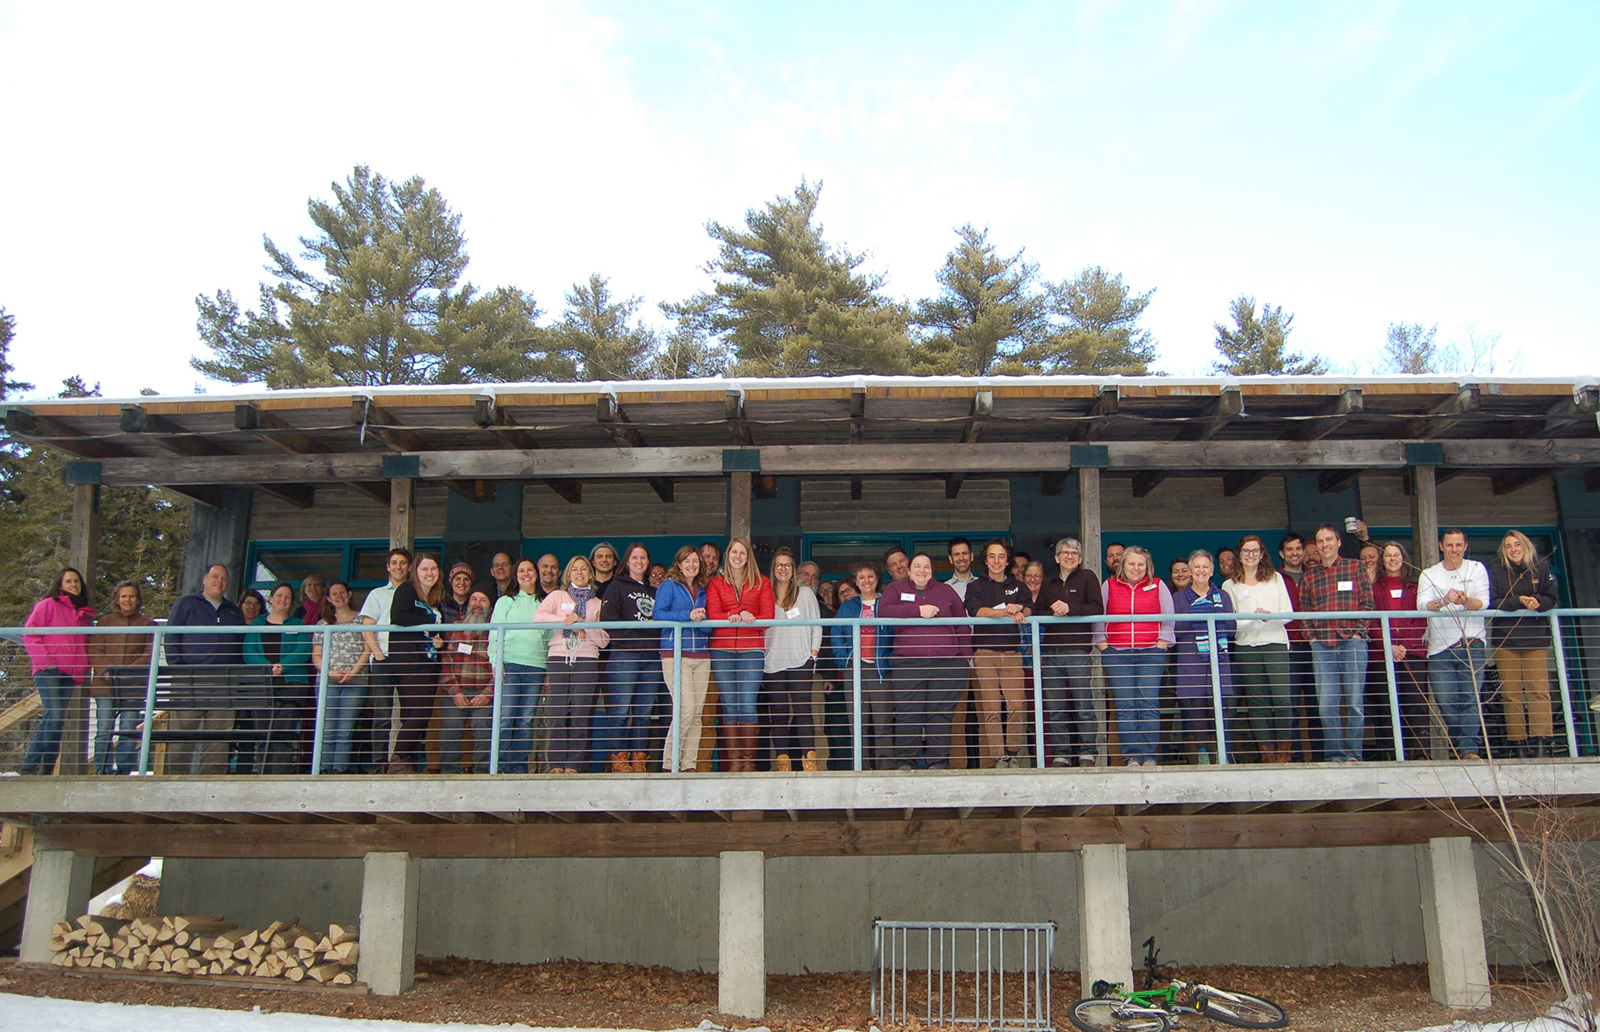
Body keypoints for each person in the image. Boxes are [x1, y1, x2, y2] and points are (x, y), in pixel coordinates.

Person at [878, 553, 971, 769]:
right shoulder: (895, 589)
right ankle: (906, 762)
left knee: (940, 716)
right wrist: (918, 611)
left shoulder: (945, 590)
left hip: (947, 664)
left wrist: (965, 658)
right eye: (917, 566)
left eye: (927, 566)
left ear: (932, 570)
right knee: (908, 714)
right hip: (908, 663)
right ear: (909, 570)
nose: (922, 570)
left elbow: (962, 624)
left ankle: (938, 763)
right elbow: (884, 611)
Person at [1298, 524, 1376, 762]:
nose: (1325, 545)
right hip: (1323, 646)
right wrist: (1312, 639)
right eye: (1320, 541)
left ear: (1338, 542)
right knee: (1326, 705)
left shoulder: (1355, 567)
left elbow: (1368, 603)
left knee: (1354, 702)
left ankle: (1353, 754)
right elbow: (1305, 612)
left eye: (1329, 540)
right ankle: (1335, 755)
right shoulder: (1309, 577)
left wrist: (1358, 633)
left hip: (1351, 642)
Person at [1095, 546, 1174, 767]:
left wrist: (1161, 644)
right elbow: (1099, 616)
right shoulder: (1109, 585)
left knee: (1148, 703)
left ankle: (1148, 756)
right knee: (1125, 705)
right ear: (1123, 565)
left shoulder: (1158, 585)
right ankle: (1131, 756)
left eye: (1141, 564)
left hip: (1151, 653)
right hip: (1117, 654)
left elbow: (1169, 616)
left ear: (1147, 567)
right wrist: (1103, 644)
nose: (1136, 568)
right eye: (1131, 563)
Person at [165, 564, 246, 776]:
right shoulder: (186, 604)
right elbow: (171, 637)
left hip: (224, 683)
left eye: (224, 579)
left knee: (218, 739)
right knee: (182, 736)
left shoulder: (233, 611)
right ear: (204, 579)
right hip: (189, 680)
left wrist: (234, 676)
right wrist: (179, 671)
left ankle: (212, 785)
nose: (219, 581)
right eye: (215, 577)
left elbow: (240, 645)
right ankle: (175, 782)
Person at [1418, 529, 1492, 760]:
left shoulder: (1477, 568)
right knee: (1445, 701)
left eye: (1459, 545)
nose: (1454, 549)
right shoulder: (1429, 574)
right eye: (1450, 545)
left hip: (1471, 643)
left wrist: (1464, 601)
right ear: (1441, 546)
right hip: (1440, 647)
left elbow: (1483, 602)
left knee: (1471, 698)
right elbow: (1421, 605)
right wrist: (1443, 601)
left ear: (1466, 546)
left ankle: (1468, 749)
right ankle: (1462, 744)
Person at [1223, 536, 1296, 764]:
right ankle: (1267, 753)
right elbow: (1231, 622)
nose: (1251, 555)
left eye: (1255, 551)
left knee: (1283, 699)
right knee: (1257, 702)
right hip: (1246, 646)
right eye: (1246, 551)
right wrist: (1252, 619)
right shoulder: (1229, 585)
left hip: (1275, 642)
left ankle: (1284, 750)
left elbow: (1288, 612)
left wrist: (1268, 618)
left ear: (1263, 554)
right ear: (1239, 554)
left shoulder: (1276, 579)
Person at [534, 556, 609, 773]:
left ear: (590, 573)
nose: (579, 572)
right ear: (568, 573)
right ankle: (556, 764)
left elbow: (603, 640)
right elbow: (538, 617)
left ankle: (574, 765)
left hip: (586, 658)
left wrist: (583, 624)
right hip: (559, 656)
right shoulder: (557, 596)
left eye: (584, 569)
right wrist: (566, 619)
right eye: (575, 569)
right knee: (556, 711)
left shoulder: (597, 603)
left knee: (580, 712)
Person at [1489, 530, 1559, 758]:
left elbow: (1552, 596)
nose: (1513, 549)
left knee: (1539, 690)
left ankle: (1541, 743)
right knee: (1511, 694)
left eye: (1517, 544)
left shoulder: (1541, 567)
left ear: (1525, 546)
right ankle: (1517, 744)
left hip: (1536, 638)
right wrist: (1517, 601)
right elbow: (1493, 601)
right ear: (1504, 551)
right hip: (1505, 639)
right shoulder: (1497, 570)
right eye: (1508, 546)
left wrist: (1537, 602)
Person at [707, 537, 774, 773]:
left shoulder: (762, 582)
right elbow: (714, 614)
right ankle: (734, 763)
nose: (737, 556)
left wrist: (746, 616)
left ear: (748, 557)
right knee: (729, 705)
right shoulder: (716, 583)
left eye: (742, 553)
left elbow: (767, 617)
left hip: (752, 649)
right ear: (728, 555)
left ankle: (748, 763)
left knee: (747, 704)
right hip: (721, 648)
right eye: (734, 552)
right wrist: (739, 612)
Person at [964, 539, 1033, 768]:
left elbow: (1030, 607)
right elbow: (976, 611)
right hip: (985, 653)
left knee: (1016, 704)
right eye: (992, 556)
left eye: (1001, 556)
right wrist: (1004, 611)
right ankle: (998, 756)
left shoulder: (1019, 585)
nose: (996, 561)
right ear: (986, 560)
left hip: (1013, 653)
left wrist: (1020, 608)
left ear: (1007, 560)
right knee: (991, 707)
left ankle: (1013, 753)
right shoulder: (975, 586)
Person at [20, 568, 95, 776]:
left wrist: (81, 667)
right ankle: (31, 766)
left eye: (77, 581)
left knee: (56, 719)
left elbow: (82, 644)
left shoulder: (84, 614)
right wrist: (46, 661)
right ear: (60, 585)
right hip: (49, 670)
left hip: (70, 674)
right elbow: (30, 633)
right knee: (54, 715)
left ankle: (45, 768)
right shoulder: (48, 605)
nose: (73, 584)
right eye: (69, 581)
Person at [1036, 537, 1103, 767]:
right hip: (1051, 651)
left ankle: (1087, 752)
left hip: (1077, 649)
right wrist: (1052, 612)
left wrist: (1070, 609)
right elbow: (1039, 611)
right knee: (1055, 708)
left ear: (1081, 558)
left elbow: (1096, 608)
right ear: (1057, 558)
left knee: (1082, 703)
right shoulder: (1048, 582)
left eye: (1075, 553)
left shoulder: (1088, 577)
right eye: (1065, 552)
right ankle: (1062, 753)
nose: (1070, 556)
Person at [598, 542, 658, 773]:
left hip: (651, 657)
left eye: (643, 558)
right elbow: (609, 620)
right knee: (620, 711)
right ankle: (619, 762)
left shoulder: (654, 591)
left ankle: (639, 761)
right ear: (627, 561)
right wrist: (631, 637)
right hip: (624, 654)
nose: (639, 561)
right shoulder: (616, 586)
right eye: (635, 557)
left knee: (643, 714)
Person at [1172, 551, 1235, 765]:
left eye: (1205, 567)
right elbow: (1175, 629)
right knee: (1197, 706)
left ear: (1212, 571)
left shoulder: (1222, 597)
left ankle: (1222, 751)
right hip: (1191, 657)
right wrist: (1197, 613)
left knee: (1220, 704)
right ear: (1190, 571)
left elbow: (1232, 626)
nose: (1201, 571)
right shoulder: (1179, 598)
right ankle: (1202, 753)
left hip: (1219, 657)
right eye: (1196, 567)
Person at [244, 582, 313, 774]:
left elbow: (303, 651)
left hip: (292, 684)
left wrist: (281, 667)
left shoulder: (299, 625)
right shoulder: (257, 623)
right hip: (262, 684)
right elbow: (248, 651)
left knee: (284, 730)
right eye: (279, 596)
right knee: (263, 732)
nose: (283, 600)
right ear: (271, 598)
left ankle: (280, 776)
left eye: (288, 597)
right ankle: (263, 776)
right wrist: (267, 667)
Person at [763, 549, 822, 772]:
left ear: (793, 569)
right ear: (773, 568)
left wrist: (813, 655)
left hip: (801, 660)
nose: (783, 569)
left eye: (788, 565)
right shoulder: (765, 593)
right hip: (773, 662)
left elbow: (816, 624)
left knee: (803, 712)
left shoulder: (805, 593)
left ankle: (809, 762)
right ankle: (783, 763)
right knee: (778, 714)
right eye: (779, 564)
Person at [490, 558, 551, 773]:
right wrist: (495, 663)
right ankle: (501, 767)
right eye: (521, 571)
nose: (526, 574)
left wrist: (548, 669)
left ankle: (519, 768)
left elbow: (550, 637)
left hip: (536, 667)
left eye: (530, 570)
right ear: (516, 576)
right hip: (510, 665)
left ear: (536, 573)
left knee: (525, 721)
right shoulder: (506, 601)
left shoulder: (545, 602)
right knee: (506, 718)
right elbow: (494, 633)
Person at [88, 581, 154, 775]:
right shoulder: (105, 622)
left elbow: (148, 653)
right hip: (105, 685)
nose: (127, 600)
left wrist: (126, 673)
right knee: (104, 730)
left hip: (133, 686)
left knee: (128, 730)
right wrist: (106, 672)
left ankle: (124, 770)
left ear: (138, 600)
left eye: (131, 596)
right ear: (117, 599)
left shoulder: (147, 624)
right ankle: (102, 770)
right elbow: (95, 651)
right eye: (123, 596)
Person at [829, 562, 891, 769]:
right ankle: (861, 767)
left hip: (879, 668)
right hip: (854, 668)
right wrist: (843, 661)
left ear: (877, 579)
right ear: (856, 582)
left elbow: (894, 633)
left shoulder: (886, 604)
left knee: (882, 721)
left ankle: (885, 767)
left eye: (870, 576)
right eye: (862, 578)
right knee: (857, 721)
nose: (866, 581)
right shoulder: (849, 606)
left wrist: (889, 658)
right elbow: (836, 634)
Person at [386, 554, 444, 773]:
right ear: (415, 572)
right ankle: (398, 760)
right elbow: (399, 616)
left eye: (434, 569)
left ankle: (406, 762)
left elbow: (436, 634)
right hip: (410, 662)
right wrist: (429, 622)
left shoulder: (435, 598)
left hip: (428, 663)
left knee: (416, 714)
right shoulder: (407, 590)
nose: (430, 573)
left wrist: (440, 641)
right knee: (418, 713)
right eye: (424, 569)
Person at [1372, 542, 1429, 760]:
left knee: (1415, 703)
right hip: (1382, 655)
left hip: (1412, 653)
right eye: (1388, 555)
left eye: (1397, 555)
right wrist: (1390, 646)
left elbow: (1421, 619)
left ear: (1404, 558)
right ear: (1382, 560)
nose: (1392, 559)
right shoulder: (1374, 588)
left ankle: (1421, 753)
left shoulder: (1415, 588)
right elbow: (1372, 621)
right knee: (1387, 705)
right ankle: (1392, 753)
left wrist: (1403, 645)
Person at [656, 546, 711, 771]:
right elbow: (658, 614)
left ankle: (689, 763)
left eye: (695, 561)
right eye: (686, 561)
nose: (691, 565)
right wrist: (687, 616)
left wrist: (704, 621)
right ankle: (670, 762)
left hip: (702, 654)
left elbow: (708, 627)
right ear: (678, 564)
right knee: (685, 709)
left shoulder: (703, 589)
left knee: (696, 712)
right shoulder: (669, 585)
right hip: (675, 653)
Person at [359, 548, 411, 774]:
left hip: (408, 660)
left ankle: (404, 762)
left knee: (410, 714)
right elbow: (367, 628)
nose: (398, 567)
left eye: (402, 563)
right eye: (394, 563)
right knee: (382, 713)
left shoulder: (415, 592)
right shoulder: (377, 594)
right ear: (388, 567)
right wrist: (378, 655)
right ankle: (379, 764)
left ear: (409, 567)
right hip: (383, 658)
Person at [311, 580, 371, 773]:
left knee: (345, 730)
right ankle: (323, 771)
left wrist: (354, 671)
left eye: (342, 592)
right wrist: (329, 672)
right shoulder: (324, 623)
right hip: (328, 681)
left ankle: (340, 771)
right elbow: (316, 654)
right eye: (334, 594)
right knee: (327, 730)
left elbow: (368, 648)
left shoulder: (362, 620)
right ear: (328, 598)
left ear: (349, 594)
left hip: (356, 680)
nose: (339, 596)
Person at [439, 586, 495, 774]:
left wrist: (486, 695)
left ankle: (482, 773)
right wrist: (456, 694)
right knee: (450, 726)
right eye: (474, 599)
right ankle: (450, 773)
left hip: (484, 695)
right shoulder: (455, 627)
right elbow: (445, 663)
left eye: (483, 600)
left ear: (490, 606)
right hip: (457, 692)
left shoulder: (496, 631)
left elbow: (501, 667)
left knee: (483, 727)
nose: (477, 604)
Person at [1277, 531, 1316, 762]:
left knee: (1317, 703)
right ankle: (1295, 757)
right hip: (1288, 646)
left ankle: (1321, 756)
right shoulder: (1275, 578)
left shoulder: (1316, 575)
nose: (1294, 553)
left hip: (1315, 645)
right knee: (1290, 705)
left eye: (1298, 549)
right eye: (1289, 549)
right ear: (1282, 553)